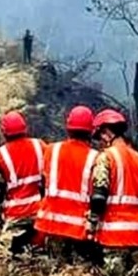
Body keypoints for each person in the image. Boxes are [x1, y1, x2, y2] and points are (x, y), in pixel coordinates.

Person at [89, 108, 138, 276]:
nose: (100, 143)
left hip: (114, 237)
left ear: (106, 133)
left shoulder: (106, 157)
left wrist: (91, 223)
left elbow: (99, 196)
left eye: (99, 137)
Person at [35, 106, 103, 264]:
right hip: (78, 228)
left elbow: (43, 183)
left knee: (53, 271)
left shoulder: (51, 150)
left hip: (50, 223)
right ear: (91, 131)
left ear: (68, 127)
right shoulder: (96, 158)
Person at [0, 111, 48, 256]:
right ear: (25, 128)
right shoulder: (40, 146)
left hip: (17, 215)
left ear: (3, 132)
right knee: (41, 255)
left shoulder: (0, 155)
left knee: (5, 257)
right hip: (41, 211)